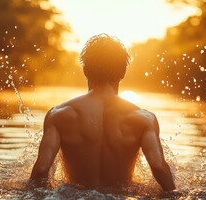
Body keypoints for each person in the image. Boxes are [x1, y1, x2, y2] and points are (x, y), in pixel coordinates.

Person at [30, 34, 175, 191]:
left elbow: (42, 168)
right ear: (123, 72)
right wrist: (173, 195)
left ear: (85, 71)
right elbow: (158, 166)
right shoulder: (143, 118)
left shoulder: (59, 115)